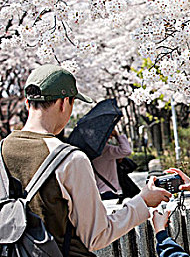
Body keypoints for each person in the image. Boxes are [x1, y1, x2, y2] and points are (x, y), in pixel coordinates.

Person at [1, 64, 172, 256]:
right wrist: (143, 201)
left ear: (27, 102)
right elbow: (97, 236)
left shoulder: (1, 151)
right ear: (64, 103)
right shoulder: (70, 159)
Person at [92, 128, 132, 200]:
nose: (110, 136)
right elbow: (127, 151)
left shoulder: (90, 150)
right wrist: (117, 135)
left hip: (97, 192)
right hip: (109, 191)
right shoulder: (105, 150)